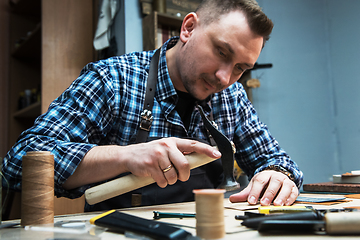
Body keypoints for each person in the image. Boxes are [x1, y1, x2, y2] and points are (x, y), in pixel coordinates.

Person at [2, 0, 303, 211]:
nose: (226, 77)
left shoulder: (231, 96)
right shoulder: (112, 79)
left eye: (240, 68)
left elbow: (278, 160)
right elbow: (18, 163)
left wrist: (277, 175)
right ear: (188, 28)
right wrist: (125, 157)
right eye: (222, 51)